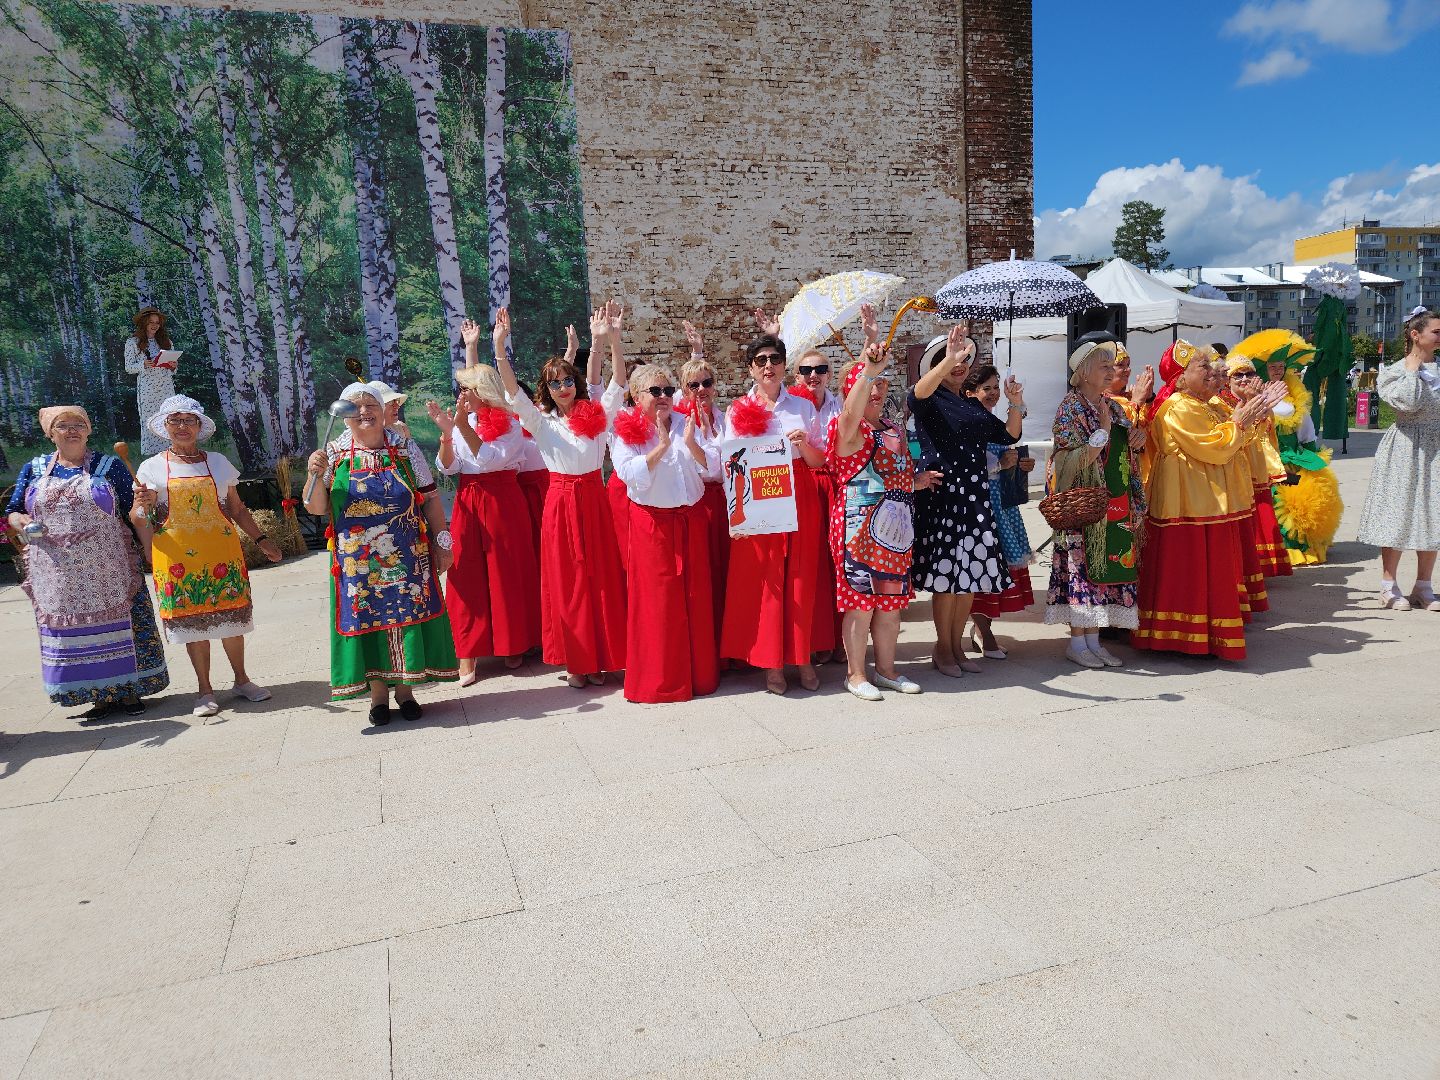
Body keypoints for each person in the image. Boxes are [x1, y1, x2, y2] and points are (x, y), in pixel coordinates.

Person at [304, 383, 457, 724]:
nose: (364, 411)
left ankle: (406, 691)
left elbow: (430, 498)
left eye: (370, 403)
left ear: (383, 409)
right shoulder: (334, 454)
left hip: (406, 554)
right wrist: (313, 474)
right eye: (354, 407)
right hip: (356, 562)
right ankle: (377, 696)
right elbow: (316, 507)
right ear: (344, 417)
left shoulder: (404, 448)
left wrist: (442, 541)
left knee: (407, 615)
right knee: (367, 620)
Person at [491, 308, 627, 687]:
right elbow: (512, 393)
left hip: (593, 499)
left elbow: (618, 382)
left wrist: (612, 339)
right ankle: (575, 662)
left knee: (600, 580)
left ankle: (600, 659)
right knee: (567, 583)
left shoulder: (597, 415)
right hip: (560, 501)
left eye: (568, 380)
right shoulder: (541, 421)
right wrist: (500, 347)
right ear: (546, 390)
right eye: (555, 383)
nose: (563, 387)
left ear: (576, 382)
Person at [8, 406, 169, 719]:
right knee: (74, 634)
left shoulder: (109, 466)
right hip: (56, 572)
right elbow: (13, 510)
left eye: (79, 424)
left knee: (121, 628)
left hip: (109, 567)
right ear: (49, 433)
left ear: (89, 430)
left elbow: (133, 515)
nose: (72, 430)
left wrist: (145, 511)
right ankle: (96, 696)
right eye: (63, 425)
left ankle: (128, 693)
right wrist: (22, 521)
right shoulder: (34, 468)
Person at [1131, 342, 1285, 661]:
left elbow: (1239, 437)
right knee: (1189, 565)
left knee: (1210, 566)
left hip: (1208, 499)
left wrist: (1251, 411)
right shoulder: (1178, 406)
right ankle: (1185, 635)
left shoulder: (1209, 402)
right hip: (1185, 501)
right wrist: (1242, 419)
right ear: (1181, 378)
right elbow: (1216, 445)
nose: (1214, 371)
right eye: (1203, 366)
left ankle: (1209, 632)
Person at [131, 395, 280, 718]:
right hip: (178, 560)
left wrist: (262, 539)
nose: (182, 427)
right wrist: (141, 504)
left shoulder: (218, 463)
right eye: (175, 421)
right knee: (193, 627)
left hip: (221, 553)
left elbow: (236, 509)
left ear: (199, 426)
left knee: (232, 620)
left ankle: (242, 680)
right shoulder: (152, 467)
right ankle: (205, 690)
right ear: (165, 428)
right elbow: (141, 517)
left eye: (189, 420)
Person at [909, 326, 1025, 677]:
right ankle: (942, 648)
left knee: (969, 577)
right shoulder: (931, 398)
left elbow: (1009, 435)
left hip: (975, 497)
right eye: (949, 359)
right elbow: (915, 394)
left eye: (963, 360)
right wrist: (947, 362)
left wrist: (1015, 401)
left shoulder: (969, 404)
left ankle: (957, 646)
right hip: (944, 497)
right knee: (946, 580)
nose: (959, 365)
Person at [827, 347, 940, 699]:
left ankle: (887, 671)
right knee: (861, 606)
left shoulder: (893, 428)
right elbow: (849, 417)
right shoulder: (847, 427)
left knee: (890, 606)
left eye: (881, 383)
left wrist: (915, 483)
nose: (876, 390)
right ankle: (856, 674)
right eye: (867, 383)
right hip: (857, 530)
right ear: (852, 389)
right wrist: (869, 370)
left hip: (896, 531)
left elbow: (893, 474)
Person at [720, 332, 828, 695]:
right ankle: (771, 664)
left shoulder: (801, 405)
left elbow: (820, 460)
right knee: (768, 579)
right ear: (751, 368)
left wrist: (805, 445)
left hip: (799, 489)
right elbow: (730, 465)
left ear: (784, 366)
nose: (769, 366)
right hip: (758, 493)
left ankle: (802, 656)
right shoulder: (738, 409)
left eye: (775, 359)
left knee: (800, 577)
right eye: (761, 360)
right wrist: (738, 515)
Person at [610, 362, 719, 703]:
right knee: (657, 605)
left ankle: (699, 677)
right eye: (655, 391)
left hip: (691, 520)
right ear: (636, 396)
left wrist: (689, 441)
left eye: (668, 391)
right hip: (652, 525)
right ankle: (661, 680)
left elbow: (714, 465)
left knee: (695, 600)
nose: (663, 397)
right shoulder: (626, 431)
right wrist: (660, 446)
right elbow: (628, 473)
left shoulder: (688, 422)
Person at [435, 335, 541, 683]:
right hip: (468, 500)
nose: (461, 394)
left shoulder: (509, 423)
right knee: (465, 573)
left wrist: (462, 427)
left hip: (502, 501)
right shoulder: (464, 420)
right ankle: (466, 652)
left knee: (505, 571)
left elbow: (491, 460)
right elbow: (447, 468)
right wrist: (448, 436)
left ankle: (513, 644)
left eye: (466, 388)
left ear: (481, 392)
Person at [1044, 341, 1146, 666]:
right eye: (1104, 366)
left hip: (1112, 504)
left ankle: (1093, 640)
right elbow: (1068, 460)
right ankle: (1077, 644)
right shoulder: (1069, 408)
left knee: (1103, 569)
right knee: (1081, 569)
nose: (1111, 372)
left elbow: (1125, 453)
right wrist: (1101, 432)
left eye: (1111, 366)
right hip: (1082, 506)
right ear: (1084, 371)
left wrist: (1136, 441)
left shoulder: (1114, 407)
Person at [1357, 307, 1440, 610]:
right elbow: (1408, 402)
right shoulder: (1393, 371)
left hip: (1436, 446)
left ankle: (1424, 585)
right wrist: (1412, 369)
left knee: (1432, 512)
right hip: (1405, 445)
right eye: (1436, 332)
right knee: (1398, 511)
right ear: (1416, 335)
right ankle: (1388, 585)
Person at [962, 363, 1037, 658]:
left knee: (999, 567)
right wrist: (998, 464)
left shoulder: (995, 422)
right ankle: (982, 630)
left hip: (1001, 506)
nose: (993, 394)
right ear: (970, 393)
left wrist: (1018, 465)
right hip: (979, 505)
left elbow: (1010, 444)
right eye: (986, 388)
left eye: (996, 388)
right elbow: (964, 466)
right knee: (982, 567)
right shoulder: (966, 422)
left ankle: (983, 627)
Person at [676, 322, 730, 639]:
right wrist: (695, 352)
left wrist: (699, 351)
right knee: (704, 574)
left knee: (726, 571)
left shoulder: (724, 419)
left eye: (706, 383)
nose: (701, 389)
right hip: (697, 503)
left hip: (725, 502)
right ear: (684, 391)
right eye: (693, 385)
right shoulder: (681, 422)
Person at [1225, 355, 1292, 579]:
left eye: (1249, 374)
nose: (1244, 379)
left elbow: (1264, 432)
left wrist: (1260, 406)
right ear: (1228, 379)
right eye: (1238, 374)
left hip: (1254, 461)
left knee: (1258, 515)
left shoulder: (1257, 397)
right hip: (1234, 466)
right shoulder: (1222, 400)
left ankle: (1258, 568)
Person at [124, 307, 178, 455]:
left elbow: (173, 368)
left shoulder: (166, 342)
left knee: (169, 416)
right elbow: (129, 367)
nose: (154, 325)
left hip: (166, 386)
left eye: (157, 322)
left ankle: (172, 452)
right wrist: (143, 364)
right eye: (151, 322)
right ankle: (153, 455)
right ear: (143, 323)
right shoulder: (133, 342)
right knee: (151, 419)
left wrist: (173, 366)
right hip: (147, 388)